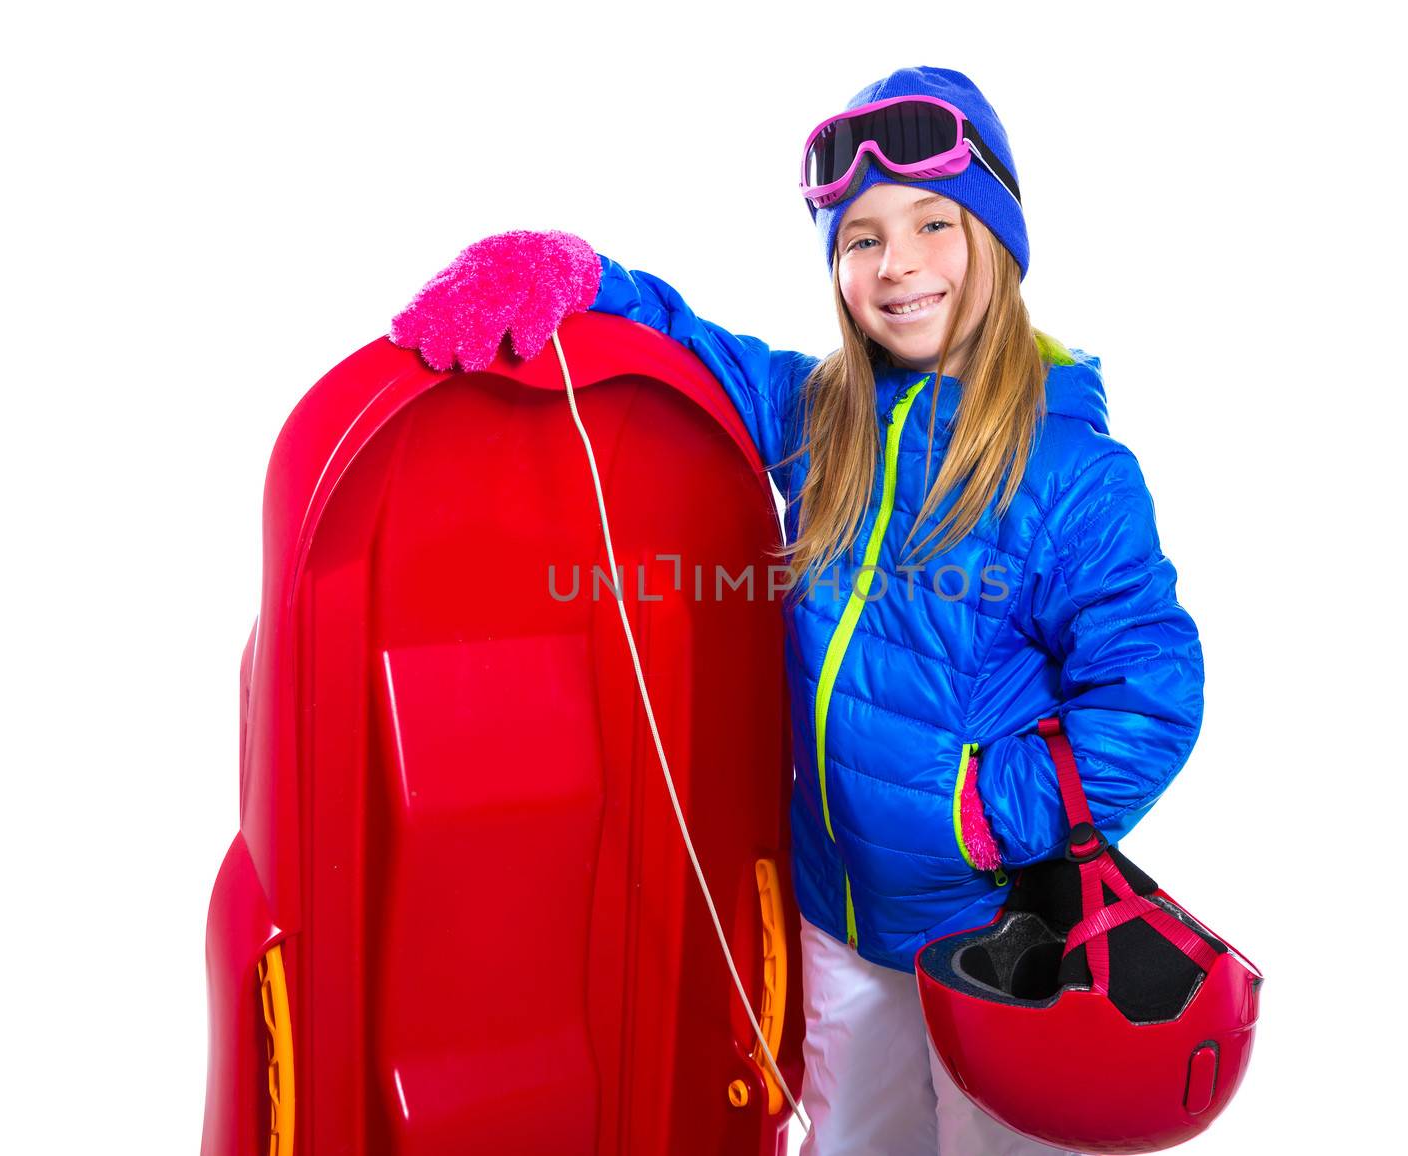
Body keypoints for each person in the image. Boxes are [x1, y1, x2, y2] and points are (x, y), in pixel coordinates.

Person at [391, 64, 1203, 1156]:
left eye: (932, 223)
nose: (897, 261)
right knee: (854, 1140)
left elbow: (1150, 697)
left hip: (992, 942)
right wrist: (574, 275)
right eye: (860, 237)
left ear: (999, 243)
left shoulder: (1071, 473)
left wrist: (980, 815)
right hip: (835, 915)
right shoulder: (827, 420)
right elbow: (692, 353)